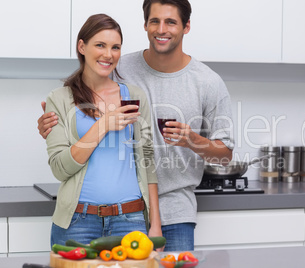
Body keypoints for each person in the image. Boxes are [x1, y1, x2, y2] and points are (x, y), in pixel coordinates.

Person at [38, 0, 234, 251]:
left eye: (170, 21)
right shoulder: (116, 67)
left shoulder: (206, 82)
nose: (108, 54)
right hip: (96, 215)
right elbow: (63, 154)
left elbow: (223, 155)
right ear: (145, 25)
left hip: (168, 209)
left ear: (186, 27)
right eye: (155, 21)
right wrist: (55, 125)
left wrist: (191, 139)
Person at [44, 13, 161, 247]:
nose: (109, 54)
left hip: (131, 220)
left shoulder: (135, 97)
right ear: (82, 46)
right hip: (77, 223)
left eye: (115, 47)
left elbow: (147, 161)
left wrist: (155, 223)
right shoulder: (59, 99)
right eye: (100, 45)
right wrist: (103, 125)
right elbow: (60, 168)